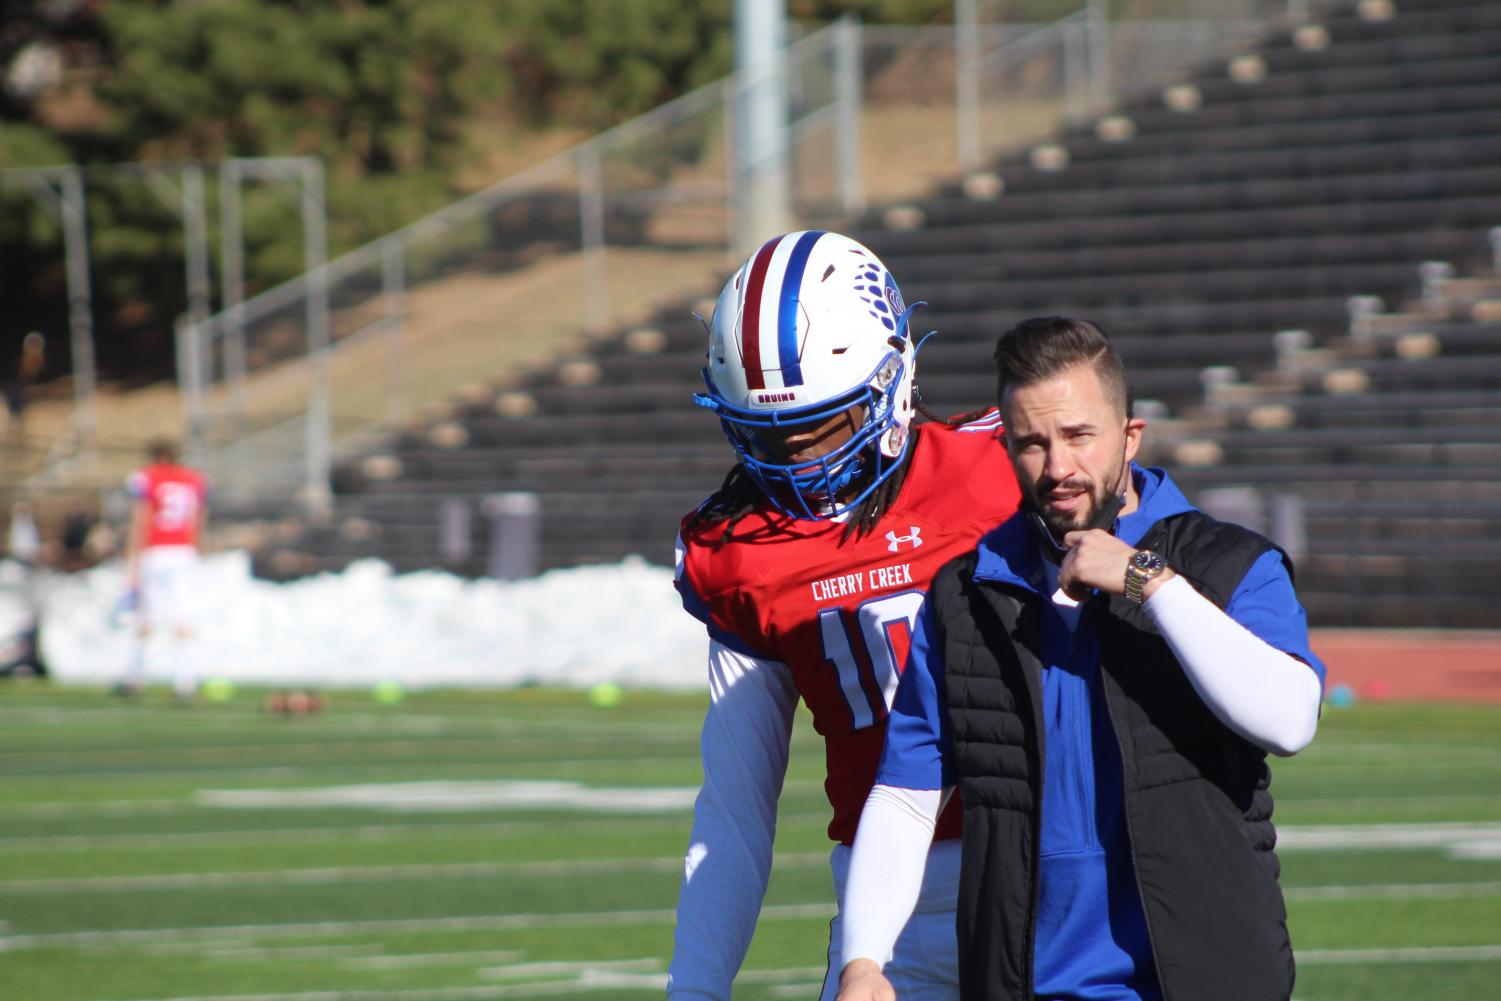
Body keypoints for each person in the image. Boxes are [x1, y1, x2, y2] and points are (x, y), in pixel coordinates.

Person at [836, 316, 1325, 1001]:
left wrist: (1148, 582)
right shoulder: (963, 592)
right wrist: (862, 958)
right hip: (1018, 980)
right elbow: (908, 795)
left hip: (1205, 975)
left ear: (1129, 436)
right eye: (1031, 443)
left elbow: (1289, 719)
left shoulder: (1228, 563)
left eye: (1077, 436)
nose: (1057, 466)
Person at [669, 230, 1023, 1001]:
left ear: (893, 378)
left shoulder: (1004, 468)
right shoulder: (740, 548)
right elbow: (734, 810)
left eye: (822, 426)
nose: (796, 460)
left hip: (1046, 871)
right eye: (765, 434)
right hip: (885, 913)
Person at [117, 438, 209, 699]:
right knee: (181, 617)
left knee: (145, 616)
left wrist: (132, 556)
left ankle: (134, 677)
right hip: (184, 552)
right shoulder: (194, 479)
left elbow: (142, 518)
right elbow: (198, 519)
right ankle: (185, 680)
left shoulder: (148, 478)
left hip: (156, 551)